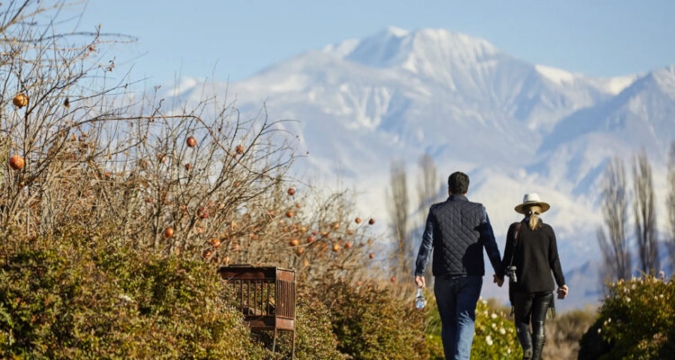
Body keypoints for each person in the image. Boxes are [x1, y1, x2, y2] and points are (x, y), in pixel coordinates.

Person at [414, 171, 504, 360]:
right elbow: (490, 242)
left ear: (449, 189)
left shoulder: (436, 211)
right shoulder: (479, 210)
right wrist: (499, 271)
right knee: (465, 318)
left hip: (443, 276)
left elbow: (427, 243)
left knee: (448, 324)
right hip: (470, 276)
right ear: (467, 189)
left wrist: (420, 270)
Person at [497, 193, 568, 360]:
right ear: (540, 210)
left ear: (523, 211)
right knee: (539, 324)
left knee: (522, 322)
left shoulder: (515, 229)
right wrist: (562, 284)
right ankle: (535, 357)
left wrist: (500, 275)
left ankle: (528, 348)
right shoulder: (548, 230)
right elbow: (554, 260)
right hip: (545, 287)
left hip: (522, 286)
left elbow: (507, 257)